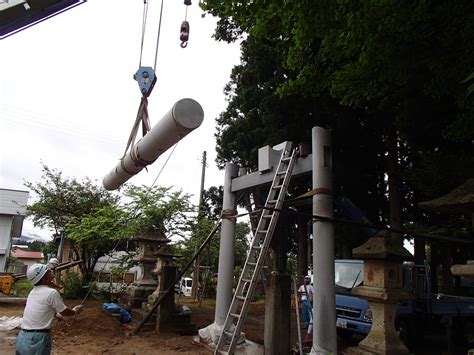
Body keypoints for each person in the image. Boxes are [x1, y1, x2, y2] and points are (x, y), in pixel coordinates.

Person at [15, 263, 84, 355]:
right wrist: (75, 311)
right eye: (48, 271)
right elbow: (65, 311)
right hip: (38, 338)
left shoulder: (33, 292)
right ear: (44, 278)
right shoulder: (51, 293)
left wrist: (55, 315)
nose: (51, 271)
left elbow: (41, 309)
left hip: (23, 336)